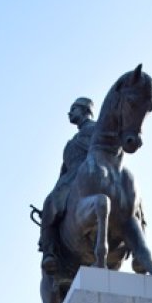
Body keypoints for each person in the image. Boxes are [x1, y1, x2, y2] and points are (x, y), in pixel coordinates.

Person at [39, 97, 96, 273]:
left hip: (87, 174)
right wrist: (56, 190)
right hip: (68, 179)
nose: (70, 113)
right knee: (49, 203)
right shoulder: (71, 141)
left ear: (85, 110)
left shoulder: (95, 128)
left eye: (74, 109)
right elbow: (63, 171)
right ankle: (50, 252)